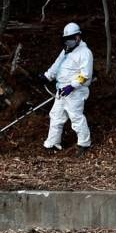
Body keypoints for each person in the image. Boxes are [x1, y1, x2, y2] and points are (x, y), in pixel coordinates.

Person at [43, 22, 94, 154]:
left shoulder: (85, 53)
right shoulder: (66, 50)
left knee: (76, 117)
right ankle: (52, 144)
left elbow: (85, 75)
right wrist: (47, 76)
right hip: (61, 91)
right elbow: (57, 65)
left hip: (75, 92)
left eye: (70, 38)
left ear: (78, 37)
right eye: (66, 39)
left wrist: (72, 86)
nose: (68, 41)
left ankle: (84, 144)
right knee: (56, 116)